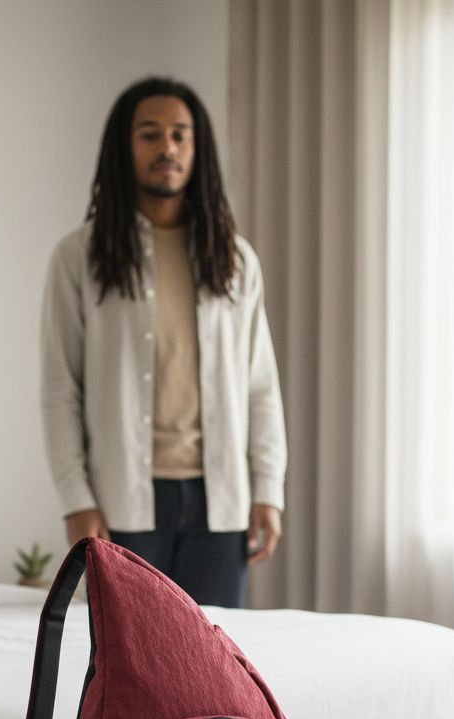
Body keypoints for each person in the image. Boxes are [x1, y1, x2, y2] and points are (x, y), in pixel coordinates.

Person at [40, 76, 287, 607]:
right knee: (129, 671)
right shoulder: (79, 258)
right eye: (150, 135)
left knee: (214, 671)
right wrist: (75, 500)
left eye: (180, 135)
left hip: (220, 504)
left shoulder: (236, 260)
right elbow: (61, 389)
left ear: (198, 150)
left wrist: (268, 489)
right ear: (124, 148)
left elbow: (260, 386)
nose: (167, 148)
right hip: (124, 503)